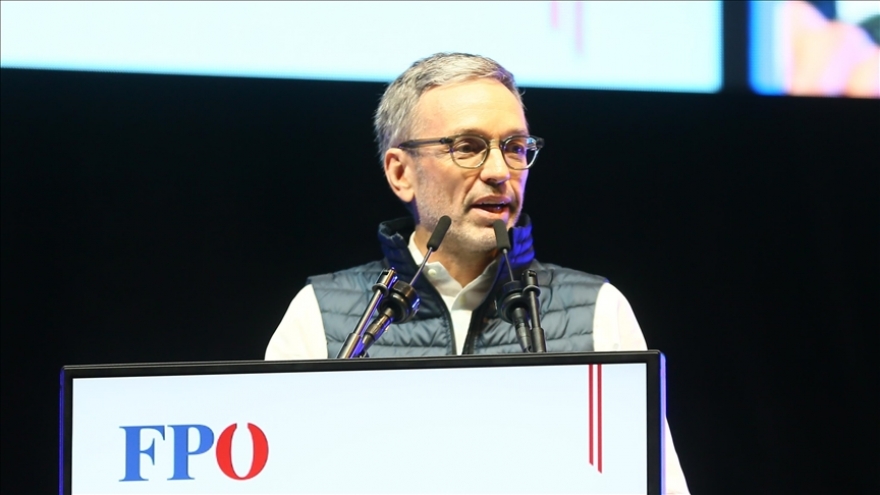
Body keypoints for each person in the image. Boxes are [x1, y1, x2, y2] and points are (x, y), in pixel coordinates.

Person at [265, 52, 689, 493]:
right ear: (401, 172)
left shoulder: (598, 311)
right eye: (467, 147)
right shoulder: (320, 314)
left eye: (515, 147)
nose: (499, 172)